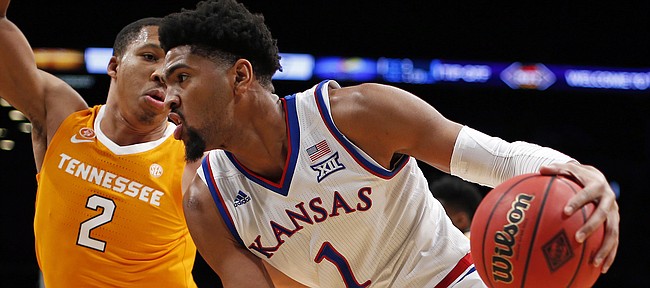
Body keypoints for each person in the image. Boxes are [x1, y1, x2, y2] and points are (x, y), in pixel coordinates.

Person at [158, 0, 620, 287]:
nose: (168, 98)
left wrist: (579, 174)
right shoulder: (206, 202)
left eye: (182, 77)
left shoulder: (355, 116)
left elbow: (496, 159)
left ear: (240, 75)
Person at [0, 1, 202, 286]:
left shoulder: (194, 159)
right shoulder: (62, 118)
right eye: (149, 56)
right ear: (114, 65)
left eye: (176, 70)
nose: (161, 73)